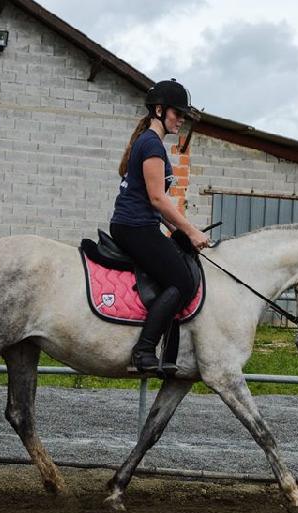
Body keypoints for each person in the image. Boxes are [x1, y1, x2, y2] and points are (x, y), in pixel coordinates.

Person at [110, 79, 211, 375]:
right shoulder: (152, 145)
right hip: (135, 226)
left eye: (183, 115)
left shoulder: (149, 143)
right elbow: (157, 198)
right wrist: (190, 231)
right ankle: (143, 351)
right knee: (182, 281)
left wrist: (179, 231)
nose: (180, 120)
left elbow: (157, 203)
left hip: (137, 223)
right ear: (159, 110)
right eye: (176, 113)